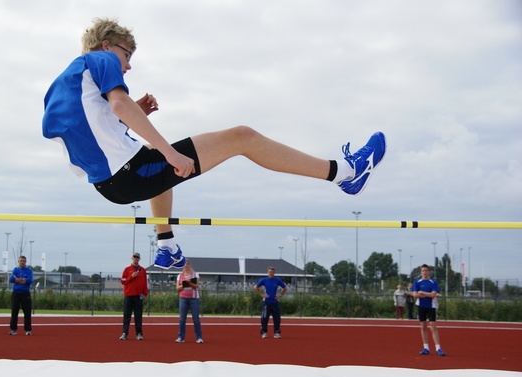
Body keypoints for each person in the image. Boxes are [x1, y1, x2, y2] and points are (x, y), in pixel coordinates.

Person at [42, 18, 387, 270]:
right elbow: (118, 103)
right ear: (106, 46)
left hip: (109, 184)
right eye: (127, 54)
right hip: (129, 172)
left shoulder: (61, 87)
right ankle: (346, 173)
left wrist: (126, 118)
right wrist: (169, 150)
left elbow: (89, 131)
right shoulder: (99, 60)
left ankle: (167, 245)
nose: (129, 65)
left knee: (157, 166)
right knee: (242, 136)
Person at [413, 264, 446, 356]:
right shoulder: (417, 282)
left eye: (426, 271)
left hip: (431, 306)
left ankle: (438, 348)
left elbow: (433, 295)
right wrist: (428, 294)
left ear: (429, 272)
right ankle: (426, 347)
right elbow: (415, 295)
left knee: (433, 326)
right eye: (423, 271)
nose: (425, 272)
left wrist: (422, 292)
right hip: (421, 306)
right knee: (423, 327)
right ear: (421, 272)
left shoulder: (433, 282)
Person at [120, 252, 149, 340]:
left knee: (138, 315)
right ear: (132, 258)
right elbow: (122, 280)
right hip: (129, 295)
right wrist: (131, 277)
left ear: (139, 259)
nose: (136, 258)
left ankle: (139, 333)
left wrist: (145, 293)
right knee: (127, 315)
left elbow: (145, 283)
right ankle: (125, 333)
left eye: (137, 257)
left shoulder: (143, 270)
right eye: (134, 257)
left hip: (138, 296)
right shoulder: (127, 269)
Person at [254, 267, 288, 338]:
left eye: (272, 272)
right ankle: (264, 332)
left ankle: (276, 333)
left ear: (274, 273)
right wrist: (261, 294)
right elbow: (255, 287)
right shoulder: (264, 280)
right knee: (264, 318)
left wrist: (280, 295)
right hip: (266, 302)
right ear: (267, 273)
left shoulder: (277, 280)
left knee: (277, 318)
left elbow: (285, 288)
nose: (271, 273)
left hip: (275, 302)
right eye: (269, 272)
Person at [175, 260, 203, 343]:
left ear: (190, 265)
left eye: (187, 263)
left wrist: (190, 283)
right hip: (183, 298)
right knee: (182, 319)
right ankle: (181, 337)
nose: (186, 265)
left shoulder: (195, 274)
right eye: (185, 264)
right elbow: (177, 288)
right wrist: (184, 285)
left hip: (193, 298)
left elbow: (196, 286)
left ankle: (199, 337)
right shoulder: (179, 276)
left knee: (196, 318)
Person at [8, 256, 33, 335]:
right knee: (14, 311)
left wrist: (17, 279)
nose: (22, 262)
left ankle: (28, 330)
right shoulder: (15, 270)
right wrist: (23, 279)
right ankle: (13, 329)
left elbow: (29, 280)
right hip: (16, 293)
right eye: (21, 260)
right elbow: (11, 279)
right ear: (18, 261)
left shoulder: (29, 270)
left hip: (25, 293)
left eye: (23, 261)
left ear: (25, 262)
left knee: (27, 311)